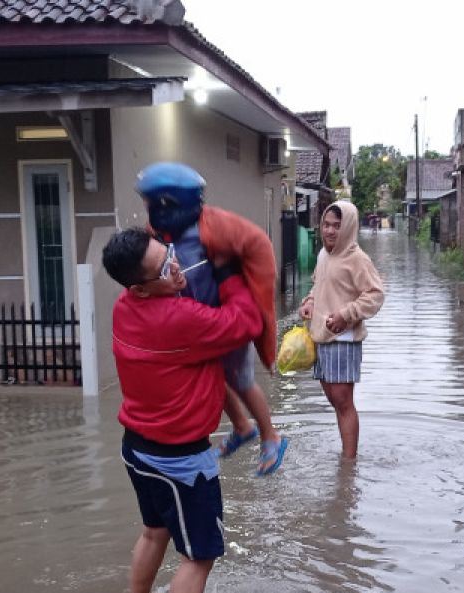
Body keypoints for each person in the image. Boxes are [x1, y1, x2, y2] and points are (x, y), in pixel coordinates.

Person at [101, 228, 262, 593]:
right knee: (199, 555)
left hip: (137, 449)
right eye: (162, 267)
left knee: (155, 531)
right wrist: (229, 274)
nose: (175, 265)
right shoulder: (180, 320)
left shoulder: (123, 307)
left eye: (169, 253)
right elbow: (248, 322)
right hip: (180, 463)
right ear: (140, 285)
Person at [136, 162, 288, 476]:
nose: (147, 210)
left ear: (169, 204)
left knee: (242, 381)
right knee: (212, 378)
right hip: (197, 322)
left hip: (227, 320)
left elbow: (257, 246)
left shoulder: (214, 230)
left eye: (150, 203)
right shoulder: (161, 234)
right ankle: (243, 428)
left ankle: (270, 434)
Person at [299, 201, 385, 460]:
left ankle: (349, 464)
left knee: (344, 402)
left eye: (337, 226)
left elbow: (375, 295)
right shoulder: (324, 255)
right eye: (326, 225)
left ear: (347, 227)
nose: (330, 231)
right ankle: (346, 458)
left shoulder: (357, 258)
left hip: (343, 339)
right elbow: (319, 285)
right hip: (322, 337)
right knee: (335, 401)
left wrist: (346, 315)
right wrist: (310, 302)